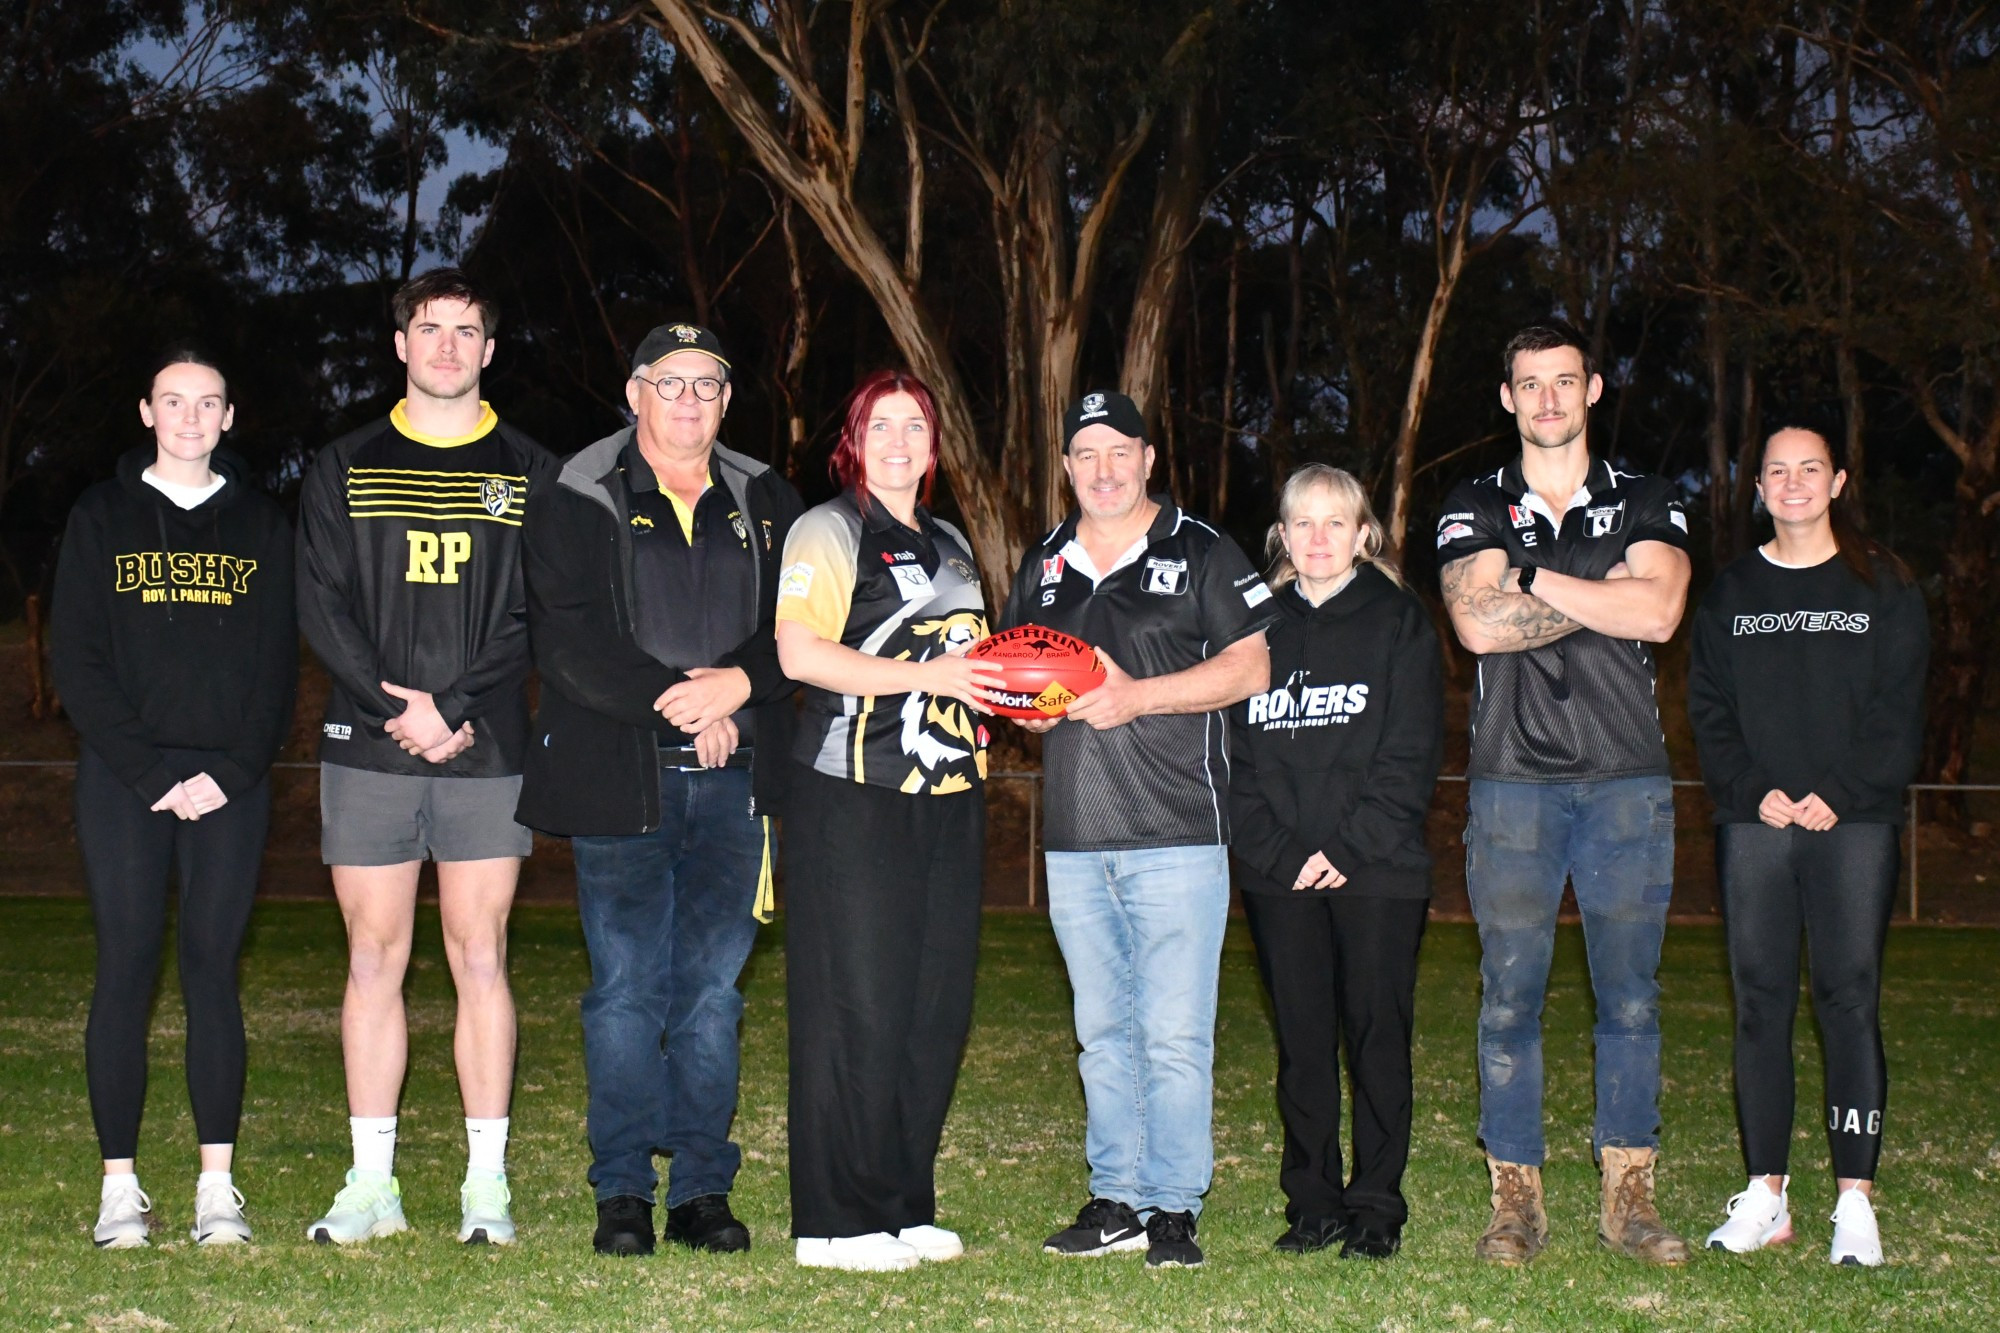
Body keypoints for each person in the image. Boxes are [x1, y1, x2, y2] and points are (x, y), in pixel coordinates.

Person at [516, 322, 803, 1257]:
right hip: (622, 779)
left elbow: (800, 631)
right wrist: (691, 702)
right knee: (629, 992)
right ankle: (625, 1194)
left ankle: (703, 1193)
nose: (688, 401)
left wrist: (741, 689)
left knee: (712, 997)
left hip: (738, 783)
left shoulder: (765, 496)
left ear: (727, 398)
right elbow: (568, 637)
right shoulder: (574, 489)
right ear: (633, 392)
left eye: (707, 384)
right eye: (668, 383)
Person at [296, 268, 554, 1246]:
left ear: (489, 351)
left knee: (480, 954)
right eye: (429, 327)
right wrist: (390, 705)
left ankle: (484, 1189)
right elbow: (320, 602)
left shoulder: (530, 468)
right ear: (399, 343)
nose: (446, 344)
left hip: (484, 746)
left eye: (466, 329)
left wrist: (450, 704)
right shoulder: (342, 464)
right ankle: (372, 1185)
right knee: (372, 957)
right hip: (367, 748)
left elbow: (538, 609)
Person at [1435, 322, 1693, 1267]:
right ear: (1507, 397)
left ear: (1592, 390)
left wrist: (1534, 573)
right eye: (1529, 384)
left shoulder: (1650, 495)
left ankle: (1629, 1195)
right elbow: (1475, 625)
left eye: (1564, 382)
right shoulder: (1473, 501)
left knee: (1630, 997)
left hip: (1627, 782)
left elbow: (1660, 610)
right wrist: (1601, 582)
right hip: (1513, 788)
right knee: (1511, 998)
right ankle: (1517, 1199)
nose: (1547, 399)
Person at [1003, 390, 1273, 1270]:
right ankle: (1114, 1193)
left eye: (1121, 451)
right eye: (1087, 455)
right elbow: (1018, 673)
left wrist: (1137, 697)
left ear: (1148, 458)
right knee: (1102, 1032)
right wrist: (1028, 712)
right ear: (1069, 467)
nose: (1105, 469)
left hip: (1179, 829)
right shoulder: (1043, 561)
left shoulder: (1199, 548)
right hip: (1076, 836)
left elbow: (1251, 666)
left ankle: (1173, 1206)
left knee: (1174, 1032)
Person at [51, 350, 296, 1249]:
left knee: (209, 970)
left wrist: (228, 773)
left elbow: (277, 671)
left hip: (229, 781)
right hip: (125, 779)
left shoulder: (264, 524)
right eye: (173, 401)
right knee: (124, 966)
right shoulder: (101, 515)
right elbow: (75, 660)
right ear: (146, 411)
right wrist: (152, 774)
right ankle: (120, 1189)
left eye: (209, 403)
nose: (191, 416)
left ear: (230, 418)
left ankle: (215, 1189)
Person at [771, 369, 999, 1273]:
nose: (900, 442)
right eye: (881, 426)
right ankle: (834, 1222)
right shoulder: (828, 529)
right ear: (854, 440)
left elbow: (968, 663)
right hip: (850, 794)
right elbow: (798, 652)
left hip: (946, 796)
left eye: (916, 426)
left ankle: (901, 1200)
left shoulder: (948, 541)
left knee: (930, 1008)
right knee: (853, 1005)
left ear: (935, 445)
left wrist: (1022, 691)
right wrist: (928, 680)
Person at [1688, 426, 1927, 1268]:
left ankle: (1854, 1200)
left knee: (1848, 996)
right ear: (1758, 485)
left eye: (1810, 469)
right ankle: (1767, 1194)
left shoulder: (1885, 587)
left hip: (1851, 824)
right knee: (1759, 1001)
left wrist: (1843, 791)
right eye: (1777, 471)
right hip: (1758, 824)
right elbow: (1708, 709)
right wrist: (1755, 792)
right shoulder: (1731, 592)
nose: (1794, 483)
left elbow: (1901, 706)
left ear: (1838, 481)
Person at [1228, 465, 1442, 1261]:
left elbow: (1410, 752)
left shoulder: (1397, 621)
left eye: (1335, 523)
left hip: (1377, 870)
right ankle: (1312, 1200)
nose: (1318, 539)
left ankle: (1377, 1205)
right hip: (1278, 874)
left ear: (1363, 534)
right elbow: (1235, 758)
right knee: (1303, 1042)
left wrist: (1346, 849)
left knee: (1377, 1036)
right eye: (1302, 523)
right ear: (1281, 535)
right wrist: (1285, 854)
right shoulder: (1255, 624)